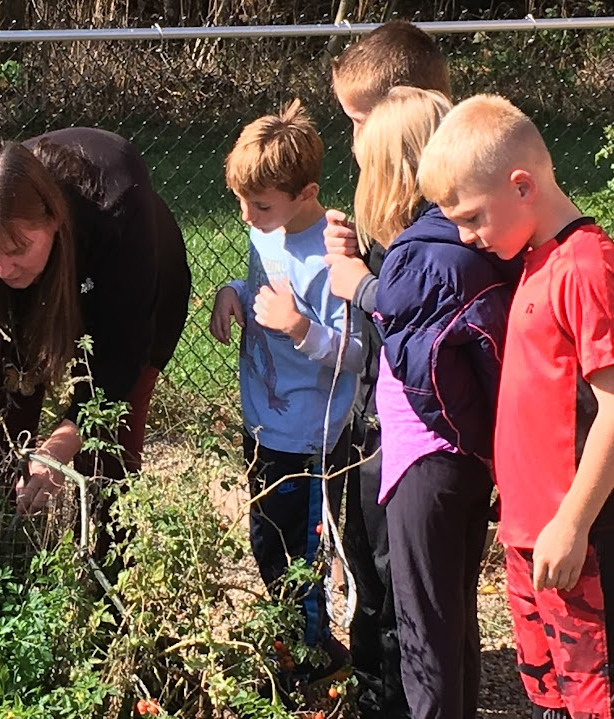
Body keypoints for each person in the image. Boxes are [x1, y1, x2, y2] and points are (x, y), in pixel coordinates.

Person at [420, 94, 614, 719]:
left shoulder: (584, 263)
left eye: (473, 217)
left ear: (522, 185)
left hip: (575, 539)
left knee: (594, 696)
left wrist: (573, 522)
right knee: (548, 694)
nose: (467, 237)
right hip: (531, 536)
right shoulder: (532, 259)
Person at [0, 127, 190, 581]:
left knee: (105, 454)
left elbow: (121, 357)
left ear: (53, 218)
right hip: (44, 295)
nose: (2, 268)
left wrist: (59, 450)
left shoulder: (115, 202)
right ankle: (0, 569)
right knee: (6, 431)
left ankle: (109, 583)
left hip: (136, 295)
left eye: (17, 249)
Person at [344, 86, 515, 719]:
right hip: (465, 461)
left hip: (427, 460)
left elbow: (419, 362)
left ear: (388, 172)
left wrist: (363, 288)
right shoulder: (470, 237)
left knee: (425, 639)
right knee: (455, 620)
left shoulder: (420, 254)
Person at [209, 99, 363, 686]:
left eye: (262, 205)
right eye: (241, 202)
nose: (248, 216)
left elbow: (356, 354)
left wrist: (300, 329)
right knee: (267, 545)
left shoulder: (334, 256)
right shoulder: (266, 233)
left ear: (307, 193)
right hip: (264, 427)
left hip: (310, 441)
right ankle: (290, 641)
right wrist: (231, 290)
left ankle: (313, 659)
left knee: (304, 558)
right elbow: (260, 289)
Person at [324, 21, 453, 717]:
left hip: (410, 434)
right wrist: (362, 258)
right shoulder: (401, 192)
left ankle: (395, 696)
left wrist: (360, 282)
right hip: (376, 417)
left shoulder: (448, 209)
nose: (352, 140)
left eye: (358, 121)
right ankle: (374, 683)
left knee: (399, 580)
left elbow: (410, 311)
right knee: (373, 570)